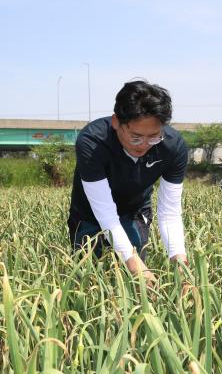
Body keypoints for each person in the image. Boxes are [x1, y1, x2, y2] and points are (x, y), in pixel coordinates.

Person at [67, 80, 188, 283]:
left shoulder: (173, 147)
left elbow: (170, 213)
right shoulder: (92, 142)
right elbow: (105, 212)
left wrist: (181, 265)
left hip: (134, 211)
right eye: (135, 137)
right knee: (88, 279)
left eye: (154, 137)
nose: (144, 145)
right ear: (116, 122)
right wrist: (134, 264)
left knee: (133, 281)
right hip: (89, 214)